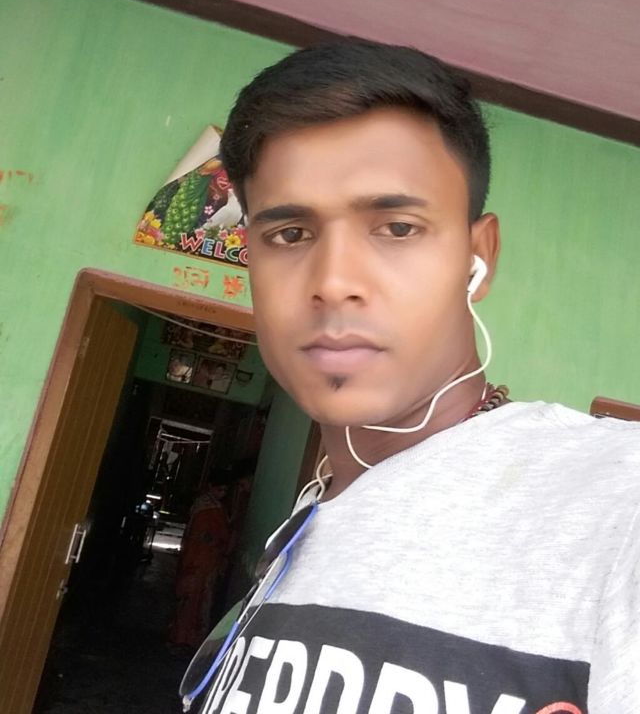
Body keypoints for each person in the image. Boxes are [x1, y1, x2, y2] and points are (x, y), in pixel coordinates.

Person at [188, 40, 640, 712]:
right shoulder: (311, 518)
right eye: (290, 234)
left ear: (478, 258)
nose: (334, 282)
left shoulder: (614, 501)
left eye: (397, 228)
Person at [169, 475, 232, 650]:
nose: (222, 493)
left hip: (200, 560)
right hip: (201, 560)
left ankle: (183, 637)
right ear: (211, 486)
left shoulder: (205, 506)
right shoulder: (210, 509)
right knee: (193, 600)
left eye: (225, 490)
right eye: (219, 489)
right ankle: (185, 638)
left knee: (193, 600)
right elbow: (213, 535)